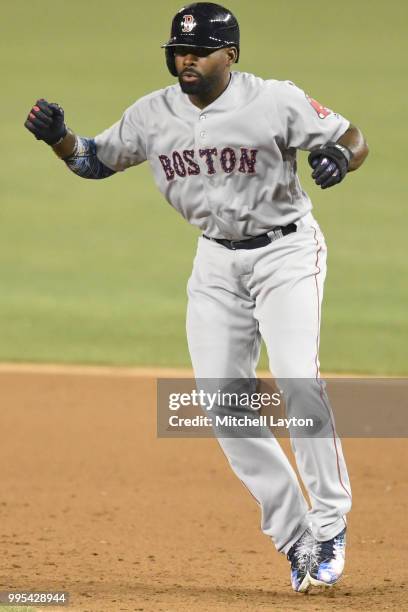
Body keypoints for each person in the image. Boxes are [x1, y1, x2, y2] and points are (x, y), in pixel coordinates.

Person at [24, 2, 368, 593]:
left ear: (229, 55)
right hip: (214, 263)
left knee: (296, 377)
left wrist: (339, 156)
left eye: (198, 51)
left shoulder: (274, 99)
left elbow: (350, 136)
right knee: (221, 402)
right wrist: (59, 139)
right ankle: (296, 537)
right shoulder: (151, 114)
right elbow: (93, 162)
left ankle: (330, 520)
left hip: (286, 252)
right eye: (178, 51)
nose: (185, 60)